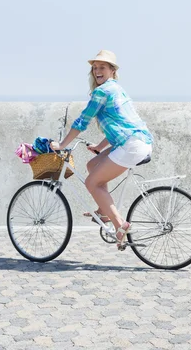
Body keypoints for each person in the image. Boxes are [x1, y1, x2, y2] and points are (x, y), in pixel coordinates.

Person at [51, 50, 154, 250]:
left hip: (131, 145)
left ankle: (119, 225)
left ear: (112, 71)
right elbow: (120, 125)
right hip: (137, 140)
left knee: (92, 183)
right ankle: (105, 211)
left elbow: (82, 121)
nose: (98, 71)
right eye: (95, 67)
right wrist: (99, 147)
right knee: (92, 165)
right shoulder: (116, 89)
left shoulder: (102, 92)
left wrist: (62, 145)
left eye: (102, 67)